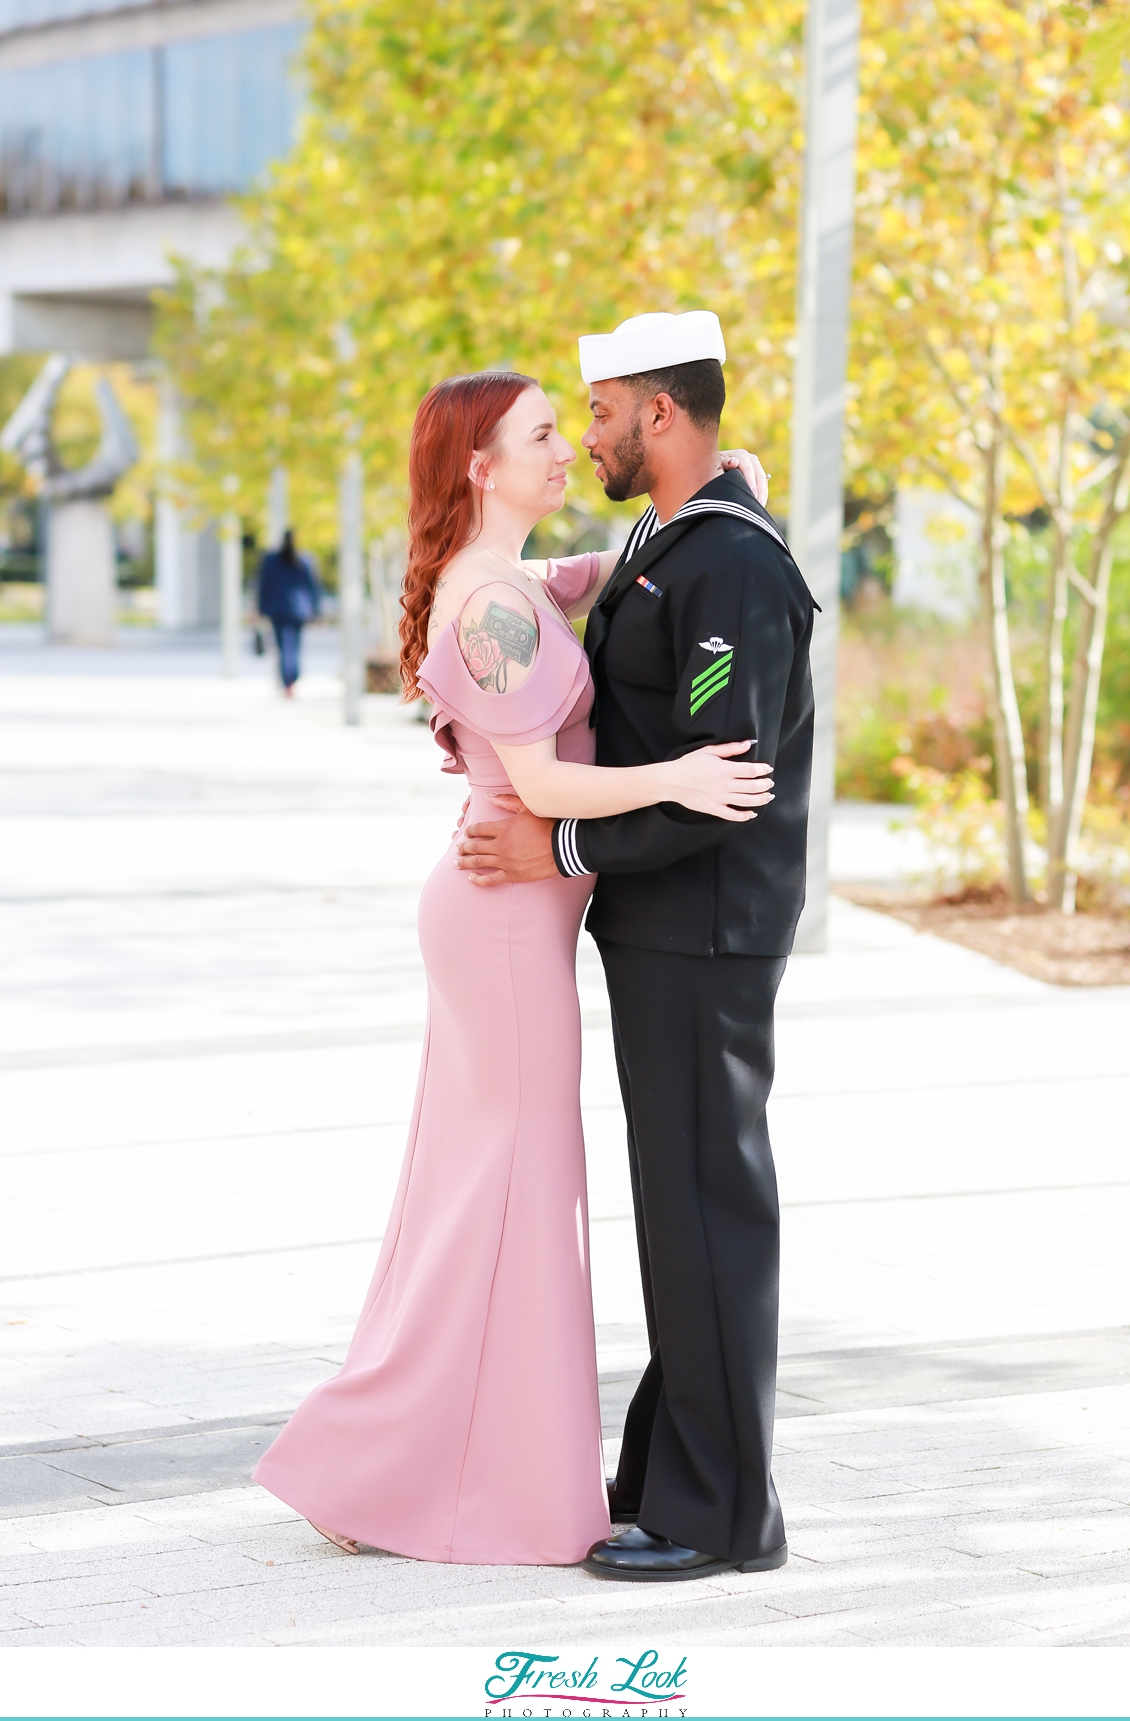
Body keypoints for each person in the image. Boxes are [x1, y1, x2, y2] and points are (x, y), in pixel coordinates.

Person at [252, 369, 774, 1565]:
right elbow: (539, 787)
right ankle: (415, 1467)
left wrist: (719, 494)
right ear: (482, 467)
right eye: (541, 433)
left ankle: (395, 1457)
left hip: (508, 916)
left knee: (486, 1193)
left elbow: (592, 572)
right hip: (503, 924)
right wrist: (676, 777)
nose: (564, 447)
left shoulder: (503, 580)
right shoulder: (483, 605)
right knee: (514, 1199)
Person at [457, 311, 818, 1582]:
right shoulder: (676, 539)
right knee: (685, 1210)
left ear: (661, 414)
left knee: (711, 1207)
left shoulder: (729, 566)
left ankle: (726, 1516)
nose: (591, 433)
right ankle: (672, 1477)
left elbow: (724, 777)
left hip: (707, 930)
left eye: (602, 413)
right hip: (670, 928)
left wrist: (561, 852)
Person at [257, 530, 321, 695]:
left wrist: (261, 608)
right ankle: (291, 679)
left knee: (283, 646)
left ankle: (288, 681)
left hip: (277, 609)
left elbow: (264, 586)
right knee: (294, 646)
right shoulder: (304, 560)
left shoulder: (271, 561)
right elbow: (313, 587)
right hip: (298, 610)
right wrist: (316, 609)